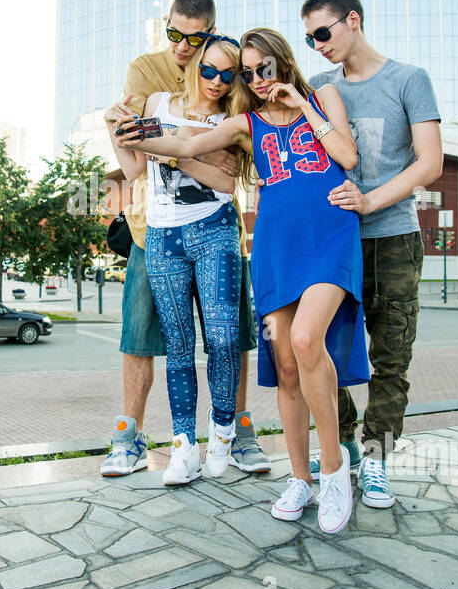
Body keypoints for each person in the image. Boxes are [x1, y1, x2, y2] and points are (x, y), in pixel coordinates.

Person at [118, 28, 369, 534]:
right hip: (275, 245)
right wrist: (132, 132)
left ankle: (335, 471)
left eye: (262, 69)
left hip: (329, 238)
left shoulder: (325, 97)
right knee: (286, 365)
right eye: (247, 73)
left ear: (283, 63)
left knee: (304, 340)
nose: (255, 80)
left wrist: (301, 100)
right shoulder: (245, 124)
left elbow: (347, 156)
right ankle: (300, 478)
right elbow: (186, 141)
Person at [98, 0, 268, 478]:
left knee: (227, 336)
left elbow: (229, 167)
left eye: (195, 39)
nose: (182, 47)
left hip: (216, 229)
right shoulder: (147, 76)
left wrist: (172, 147)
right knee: (145, 336)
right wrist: (131, 133)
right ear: (166, 27)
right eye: (174, 33)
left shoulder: (232, 94)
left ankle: (236, 432)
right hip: (154, 231)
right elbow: (132, 156)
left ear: (212, 34)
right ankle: (131, 438)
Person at [301, 0, 443, 510]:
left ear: (352, 20)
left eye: (323, 32)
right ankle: (342, 446)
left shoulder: (409, 79)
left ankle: (378, 456)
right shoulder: (317, 87)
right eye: (309, 37)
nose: (317, 45)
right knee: (320, 350)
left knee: (391, 356)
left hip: (392, 240)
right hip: (332, 246)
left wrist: (371, 201)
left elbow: (429, 162)